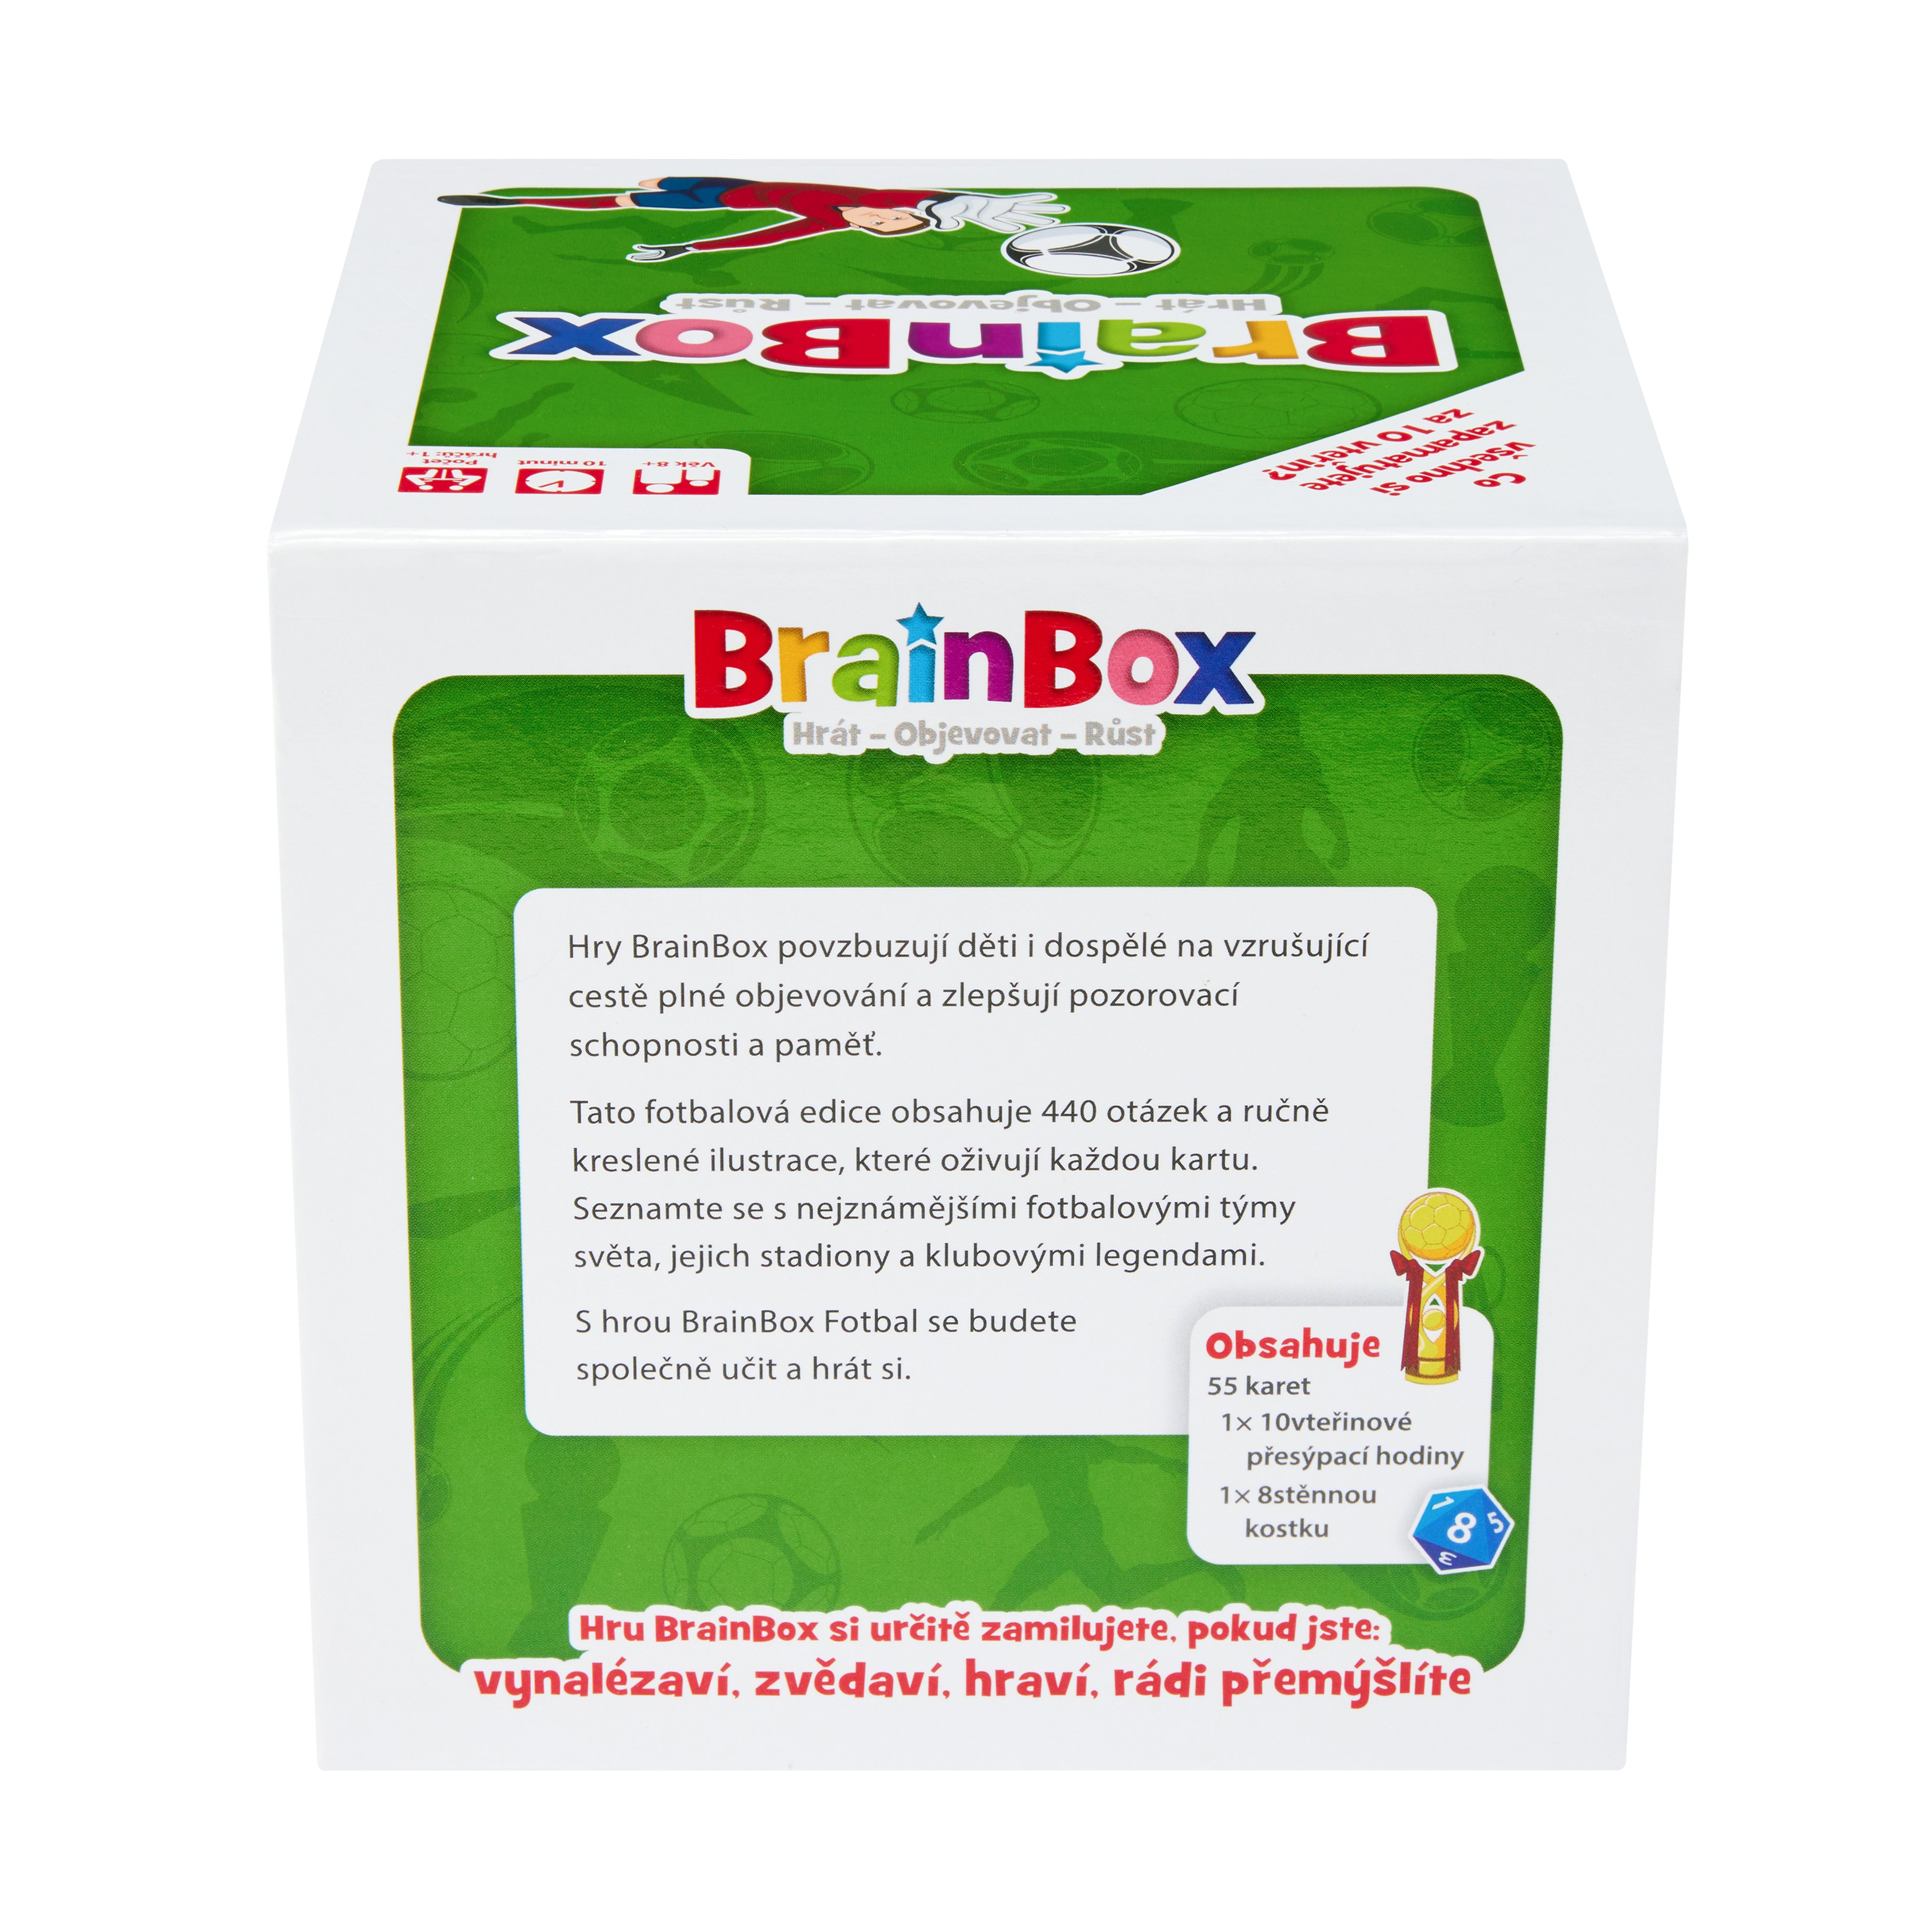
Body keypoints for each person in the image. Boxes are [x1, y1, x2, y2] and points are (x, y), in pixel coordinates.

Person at [438, 175, 1068, 260]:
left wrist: (686, 250)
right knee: (650, 177)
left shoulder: (830, 223)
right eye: (894, 220)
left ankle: (509, 203)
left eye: (882, 230)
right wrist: (943, 204)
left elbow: (764, 235)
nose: (880, 223)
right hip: (726, 179)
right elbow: (927, 192)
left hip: (715, 201)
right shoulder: (881, 190)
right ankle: (510, 199)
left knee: (624, 201)